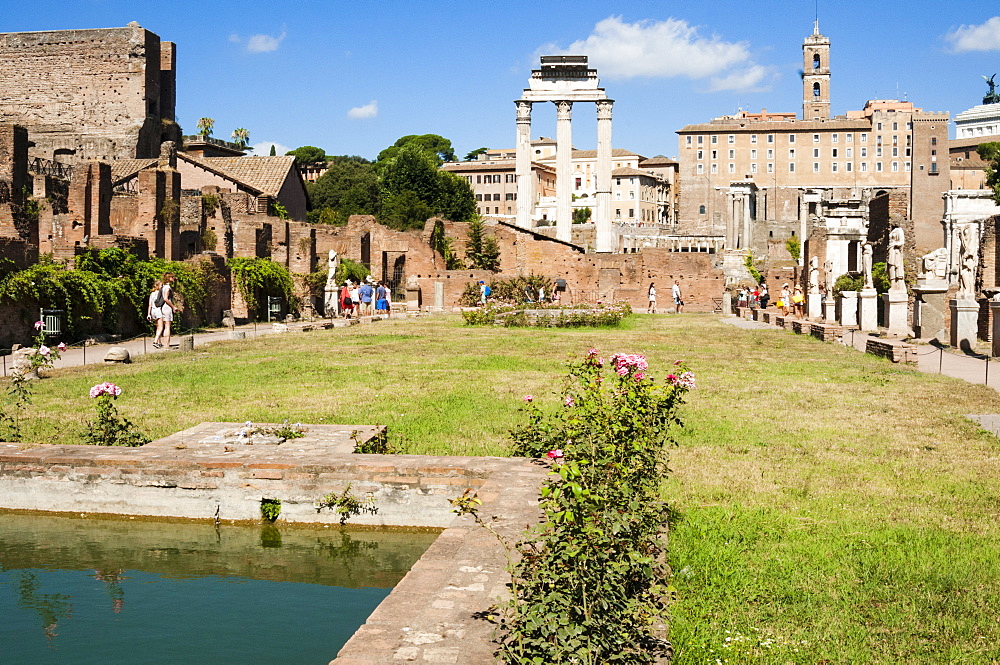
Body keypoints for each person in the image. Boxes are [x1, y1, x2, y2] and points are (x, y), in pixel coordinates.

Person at [153, 273, 181, 349]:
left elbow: (174, 290)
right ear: (168, 278)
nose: (173, 278)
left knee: (166, 326)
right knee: (167, 326)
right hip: (167, 308)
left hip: (164, 307)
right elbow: (165, 298)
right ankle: (166, 345)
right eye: (172, 277)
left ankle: (166, 344)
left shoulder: (165, 287)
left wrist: (175, 282)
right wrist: (173, 307)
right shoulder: (167, 288)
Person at [147, 279, 163, 346]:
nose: (162, 287)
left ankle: (159, 342)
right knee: (161, 327)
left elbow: (150, 304)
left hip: (153, 311)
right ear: (158, 286)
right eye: (161, 285)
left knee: (157, 327)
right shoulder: (159, 293)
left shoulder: (152, 293)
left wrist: (148, 314)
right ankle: (155, 341)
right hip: (158, 310)